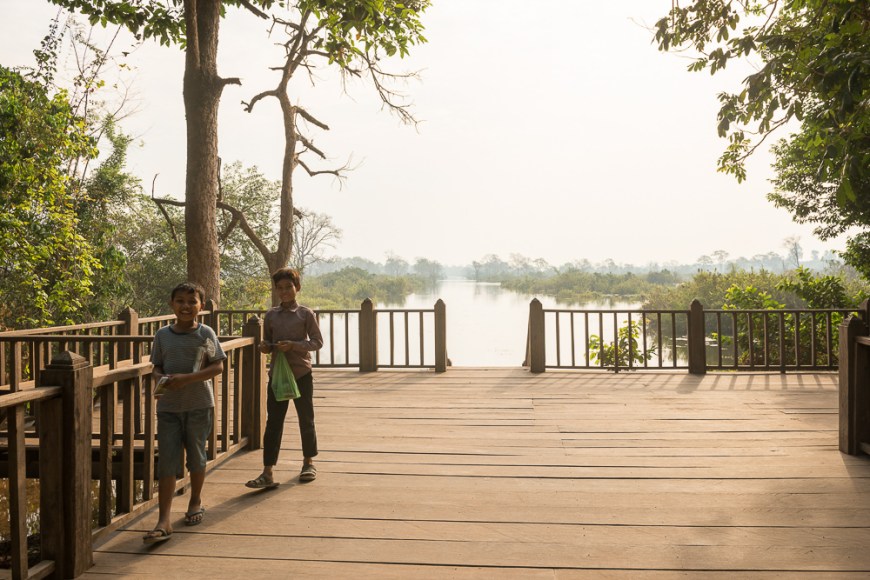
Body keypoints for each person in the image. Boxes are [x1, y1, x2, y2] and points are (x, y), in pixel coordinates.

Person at [143, 282, 226, 544]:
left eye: (192, 302)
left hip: (199, 404)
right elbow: (156, 366)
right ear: (172, 305)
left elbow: (218, 367)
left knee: (196, 457)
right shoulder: (162, 335)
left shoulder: (206, 334)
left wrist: (187, 379)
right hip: (168, 407)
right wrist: (161, 380)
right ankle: (163, 519)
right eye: (180, 301)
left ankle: (195, 501)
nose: (186, 306)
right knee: (167, 460)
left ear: (201, 306)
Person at [246, 267, 323, 489]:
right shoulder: (271, 315)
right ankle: (267, 471)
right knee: (274, 423)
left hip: (301, 373)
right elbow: (268, 344)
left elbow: (317, 342)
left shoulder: (305, 314)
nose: (284, 292)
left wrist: (295, 346)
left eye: (288, 287)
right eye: (280, 288)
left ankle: (308, 463)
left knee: (305, 419)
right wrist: (265, 347)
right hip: (278, 376)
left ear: (296, 287)